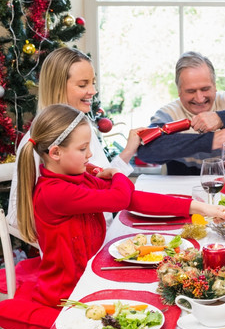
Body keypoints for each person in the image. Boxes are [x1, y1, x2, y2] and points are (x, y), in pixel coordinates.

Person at [0, 104, 225, 329]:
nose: (89, 154)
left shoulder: (79, 179)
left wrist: (199, 207)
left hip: (93, 277)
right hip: (70, 293)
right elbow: (121, 197)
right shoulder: (54, 192)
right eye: (82, 148)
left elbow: (132, 198)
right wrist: (118, 174)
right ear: (56, 153)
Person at [7, 47, 144, 228]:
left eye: (93, 83)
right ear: (57, 87)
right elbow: (16, 216)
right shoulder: (39, 141)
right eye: (83, 85)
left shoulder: (81, 126)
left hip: (104, 234)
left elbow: (102, 179)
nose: (93, 91)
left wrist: (128, 151)